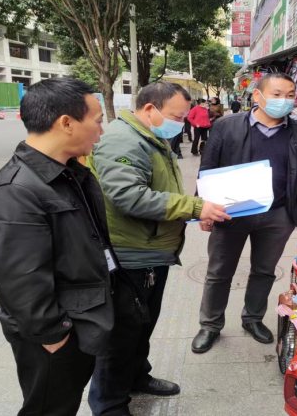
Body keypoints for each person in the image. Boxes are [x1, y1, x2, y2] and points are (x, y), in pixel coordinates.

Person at [87, 81, 230, 416]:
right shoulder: (123, 139)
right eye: (176, 116)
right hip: (130, 254)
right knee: (121, 335)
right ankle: (109, 404)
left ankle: (137, 376)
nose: (181, 123)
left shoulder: (148, 136)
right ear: (149, 108)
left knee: (141, 325)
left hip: (151, 250)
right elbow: (128, 196)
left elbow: (159, 189)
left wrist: (197, 211)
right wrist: (195, 208)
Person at [0, 78, 118, 416]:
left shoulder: (66, 171)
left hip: (79, 315)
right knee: (49, 407)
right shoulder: (15, 191)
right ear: (66, 123)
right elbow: (18, 278)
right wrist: (54, 336)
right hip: (54, 334)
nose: (102, 130)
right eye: (97, 121)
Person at [191, 73, 297, 353]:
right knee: (219, 272)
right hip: (231, 213)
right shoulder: (226, 126)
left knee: (264, 271)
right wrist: (204, 209)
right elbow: (207, 167)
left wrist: (295, 211)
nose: (284, 100)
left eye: (289, 94)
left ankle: (253, 318)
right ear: (257, 96)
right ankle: (210, 325)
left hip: (277, 215)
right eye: (276, 94)